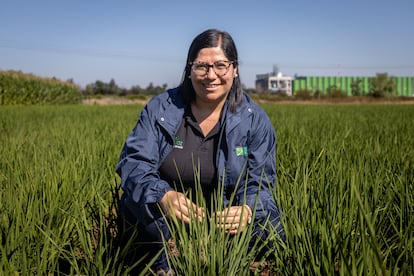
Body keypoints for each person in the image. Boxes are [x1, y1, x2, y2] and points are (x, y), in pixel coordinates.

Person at [116, 29, 285, 275]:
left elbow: (261, 183)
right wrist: (163, 196)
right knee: (137, 202)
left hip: (222, 222)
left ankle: (236, 264)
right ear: (189, 69)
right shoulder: (161, 109)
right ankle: (162, 266)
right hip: (166, 218)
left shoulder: (255, 121)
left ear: (235, 69)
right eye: (201, 66)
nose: (211, 75)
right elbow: (133, 163)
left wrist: (247, 210)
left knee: (271, 222)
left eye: (220, 65)